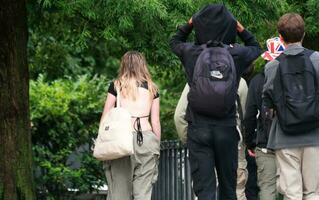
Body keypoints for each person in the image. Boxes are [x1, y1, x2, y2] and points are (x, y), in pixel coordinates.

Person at [170, 4, 261, 200]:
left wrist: (190, 23)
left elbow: (174, 41)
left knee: (205, 190)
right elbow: (256, 48)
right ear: (229, 27)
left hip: (199, 128)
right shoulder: (235, 54)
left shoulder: (192, 52)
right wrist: (240, 29)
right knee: (229, 189)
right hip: (226, 128)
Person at [263, 13, 319, 200]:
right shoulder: (317, 60)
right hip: (315, 135)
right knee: (312, 192)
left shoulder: (272, 66)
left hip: (285, 136)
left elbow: (268, 103)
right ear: (303, 34)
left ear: (280, 37)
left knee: (292, 193)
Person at [174, 78, 249, 200]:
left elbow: (179, 116)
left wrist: (190, 141)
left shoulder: (195, 78)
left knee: (205, 191)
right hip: (231, 143)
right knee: (235, 190)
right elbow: (245, 117)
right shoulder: (239, 80)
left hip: (201, 141)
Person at [101, 51, 161, 200]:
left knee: (119, 193)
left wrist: (101, 140)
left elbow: (106, 116)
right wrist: (157, 145)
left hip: (122, 141)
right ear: (143, 66)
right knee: (143, 193)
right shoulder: (153, 88)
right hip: (146, 140)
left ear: (124, 65)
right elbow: (155, 121)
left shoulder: (116, 86)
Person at [244, 37, 285, 200]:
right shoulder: (293, 78)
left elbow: (249, 116)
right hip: (291, 140)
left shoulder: (256, 81)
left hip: (265, 143)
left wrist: (250, 143)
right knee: (293, 188)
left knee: (267, 188)